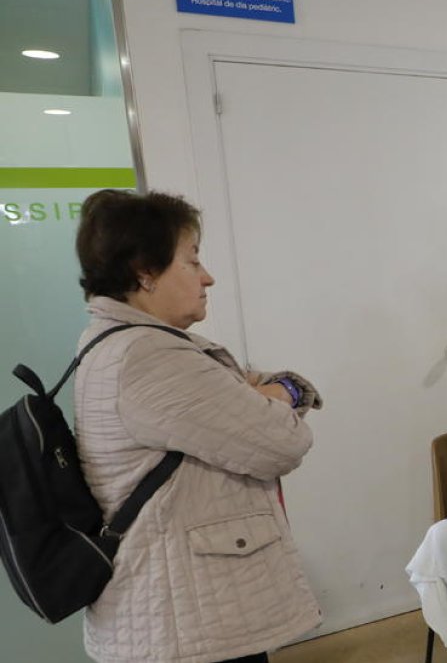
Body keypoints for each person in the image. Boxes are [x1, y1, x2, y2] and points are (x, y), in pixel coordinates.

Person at [73, 189, 322, 663]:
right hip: (182, 624)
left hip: (181, 611)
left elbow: (237, 396)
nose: (208, 277)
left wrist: (249, 395)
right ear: (145, 272)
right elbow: (283, 441)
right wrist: (286, 392)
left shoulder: (128, 344)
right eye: (192, 261)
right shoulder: (147, 357)